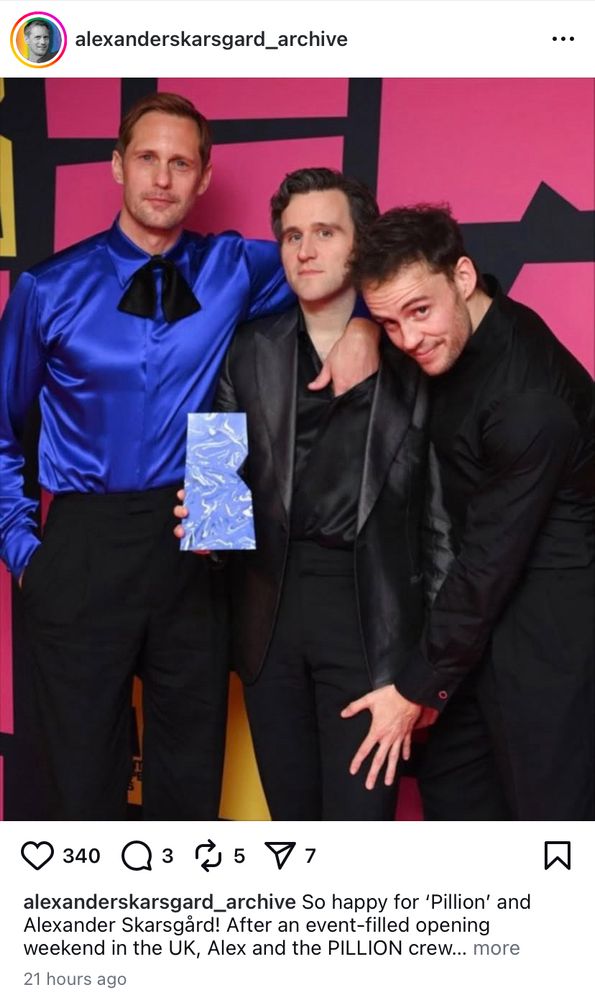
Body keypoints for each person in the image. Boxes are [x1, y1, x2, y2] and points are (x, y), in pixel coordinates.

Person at [0, 93, 377, 821]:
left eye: (181, 162)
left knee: (189, 776)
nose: (163, 178)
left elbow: (332, 262)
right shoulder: (47, 289)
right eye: (148, 158)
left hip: (198, 535)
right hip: (80, 542)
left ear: (203, 178)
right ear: (117, 165)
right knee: (76, 785)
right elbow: (1, 431)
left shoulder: (236, 265)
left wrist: (361, 321)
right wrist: (25, 552)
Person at [176, 169, 431, 820]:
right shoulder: (245, 350)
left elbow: (443, 520)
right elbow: (214, 482)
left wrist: (428, 666)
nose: (305, 250)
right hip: (269, 622)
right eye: (291, 235)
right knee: (293, 830)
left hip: (370, 624)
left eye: (324, 231)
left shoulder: (411, 351)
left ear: (360, 243)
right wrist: (206, 530)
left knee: (357, 834)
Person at [350, 204, 595, 820]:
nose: (408, 340)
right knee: (457, 808)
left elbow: (491, 558)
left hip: (551, 630)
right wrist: (358, 330)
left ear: (462, 277)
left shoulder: (526, 400)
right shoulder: (461, 333)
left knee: (549, 826)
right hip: (471, 625)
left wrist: (416, 686)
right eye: (389, 323)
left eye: (419, 311)